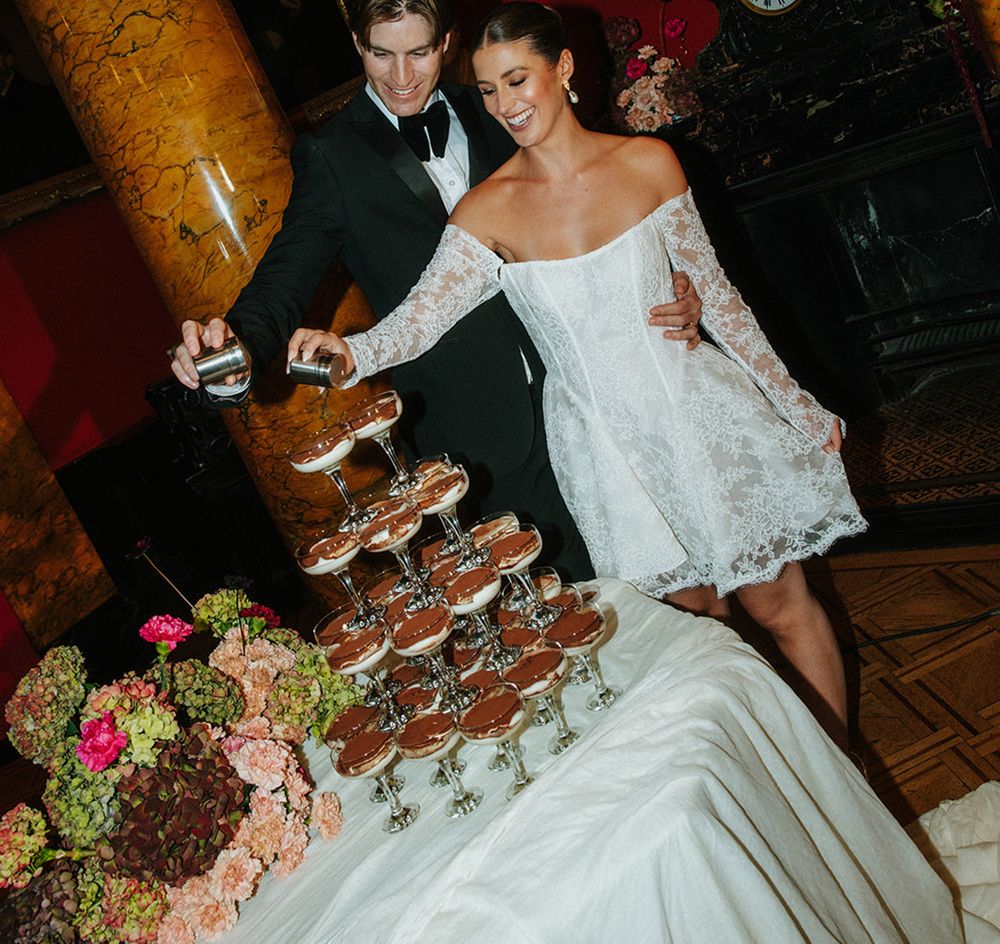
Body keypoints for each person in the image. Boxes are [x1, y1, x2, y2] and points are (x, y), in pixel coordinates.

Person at [294, 2, 869, 748]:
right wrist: (351, 353)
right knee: (697, 634)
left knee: (780, 603)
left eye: (518, 79)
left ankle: (844, 775)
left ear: (562, 69)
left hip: (692, 414)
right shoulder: (485, 209)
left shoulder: (648, 164)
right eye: (490, 90)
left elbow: (720, 299)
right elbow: (418, 319)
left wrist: (795, 404)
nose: (506, 104)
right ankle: (768, 777)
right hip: (604, 451)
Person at [169, 0, 704, 583]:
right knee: (564, 602)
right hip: (475, 428)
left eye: (419, 52)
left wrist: (672, 280)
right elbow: (284, 277)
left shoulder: (500, 105)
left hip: (593, 391)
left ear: (447, 42)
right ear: (356, 42)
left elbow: (595, 199)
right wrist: (236, 346)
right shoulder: (333, 156)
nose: (401, 77)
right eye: (382, 53)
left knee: (673, 579)